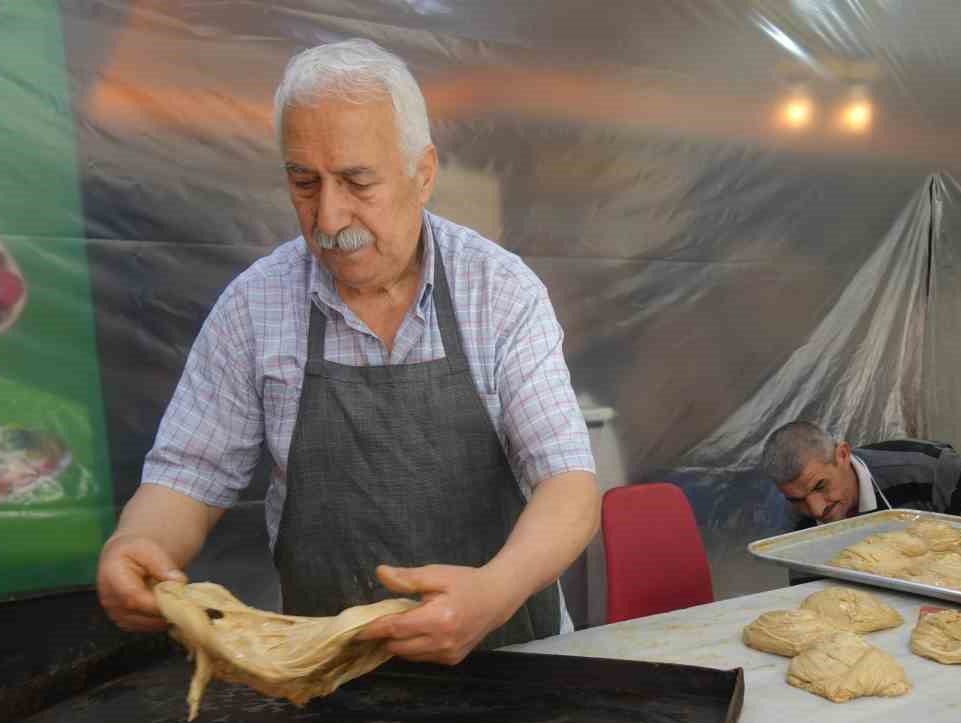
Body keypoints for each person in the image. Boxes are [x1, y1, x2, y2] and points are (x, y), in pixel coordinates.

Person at [96, 39, 599, 665]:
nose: (329, 217)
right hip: (328, 674)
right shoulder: (256, 307)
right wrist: (137, 543)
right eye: (304, 182)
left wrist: (492, 593)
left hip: (517, 656)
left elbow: (568, 484)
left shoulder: (499, 292)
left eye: (358, 181)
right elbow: (188, 476)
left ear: (423, 173)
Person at [760, 420, 961, 529]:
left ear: (842, 455)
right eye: (796, 499)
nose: (816, 510)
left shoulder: (928, 470)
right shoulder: (794, 515)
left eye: (820, 486)